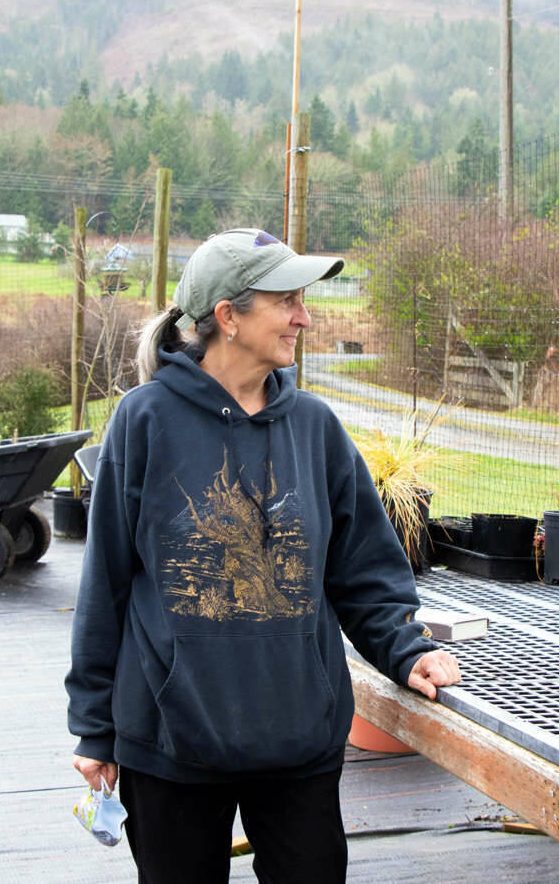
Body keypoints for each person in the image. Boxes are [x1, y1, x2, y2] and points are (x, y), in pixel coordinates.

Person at [65, 228, 461, 883]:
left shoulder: (315, 429)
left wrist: (406, 647)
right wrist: (92, 726)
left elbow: (365, 569)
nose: (304, 317)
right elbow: (104, 583)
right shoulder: (144, 421)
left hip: (296, 737)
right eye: (287, 301)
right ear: (229, 316)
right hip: (171, 740)